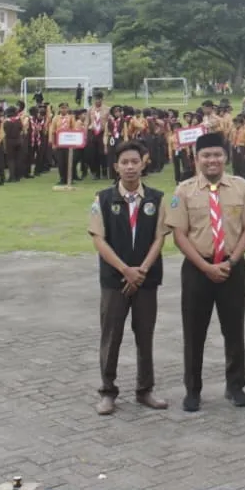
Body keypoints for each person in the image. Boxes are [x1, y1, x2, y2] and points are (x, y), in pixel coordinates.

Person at [166, 132, 245, 411]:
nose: (212, 160)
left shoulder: (241, 187)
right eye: (206, 156)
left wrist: (231, 262)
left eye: (217, 155)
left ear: (226, 158)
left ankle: (235, 386)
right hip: (197, 269)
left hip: (232, 267)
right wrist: (205, 266)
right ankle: (193, 390)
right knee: (194, 332)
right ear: (196, 159)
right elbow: (179, 234)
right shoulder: (184, 191)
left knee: (234, 330)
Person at [89, 142, 169, 415]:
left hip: (146, 281)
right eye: (124, 162)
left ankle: (145, 389)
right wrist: (125, 270)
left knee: (144, 335)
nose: (130, 167)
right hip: (115, 281)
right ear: (116, 167)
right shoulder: (102, 198)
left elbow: (159, 238)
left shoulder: (156, 198)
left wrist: (141, 271)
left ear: (143, 163)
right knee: (111, 336)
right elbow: (99, 240)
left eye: (135, 161)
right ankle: (107, 391)